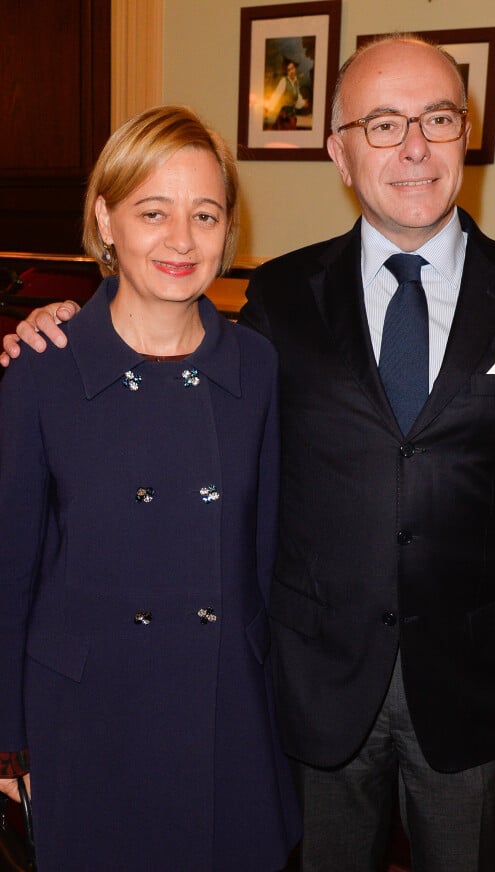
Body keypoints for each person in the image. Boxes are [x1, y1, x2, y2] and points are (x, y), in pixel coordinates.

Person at [3, 34, 495, 872]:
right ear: (341, 154)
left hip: (474, 689)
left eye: (438, 118)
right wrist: (46, 324)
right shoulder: (280, 299)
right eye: (383, 124)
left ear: (466, 135)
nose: (414, 146)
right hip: (313, 686)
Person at [0, 104, 301, 871]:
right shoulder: (41, 367)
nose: (181, 240)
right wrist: (6, 743)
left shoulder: (257, 367)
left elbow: (264, 557)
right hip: (86, 716)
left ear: (229, 229)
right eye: (152, 211)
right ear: (105, 219)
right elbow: (9, 566)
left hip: (223, 711)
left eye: (205, 214)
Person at [265, 59, 309, 130]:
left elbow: (297, 97)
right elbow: (277, 94)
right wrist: (269, 107)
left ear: (295, 69)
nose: (291, 71)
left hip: (292, 116)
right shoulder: (284, 81)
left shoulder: (296, 82)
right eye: (288, 70)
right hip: (284, 117)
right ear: (287, 72)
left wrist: (304, 103)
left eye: (292, 68)